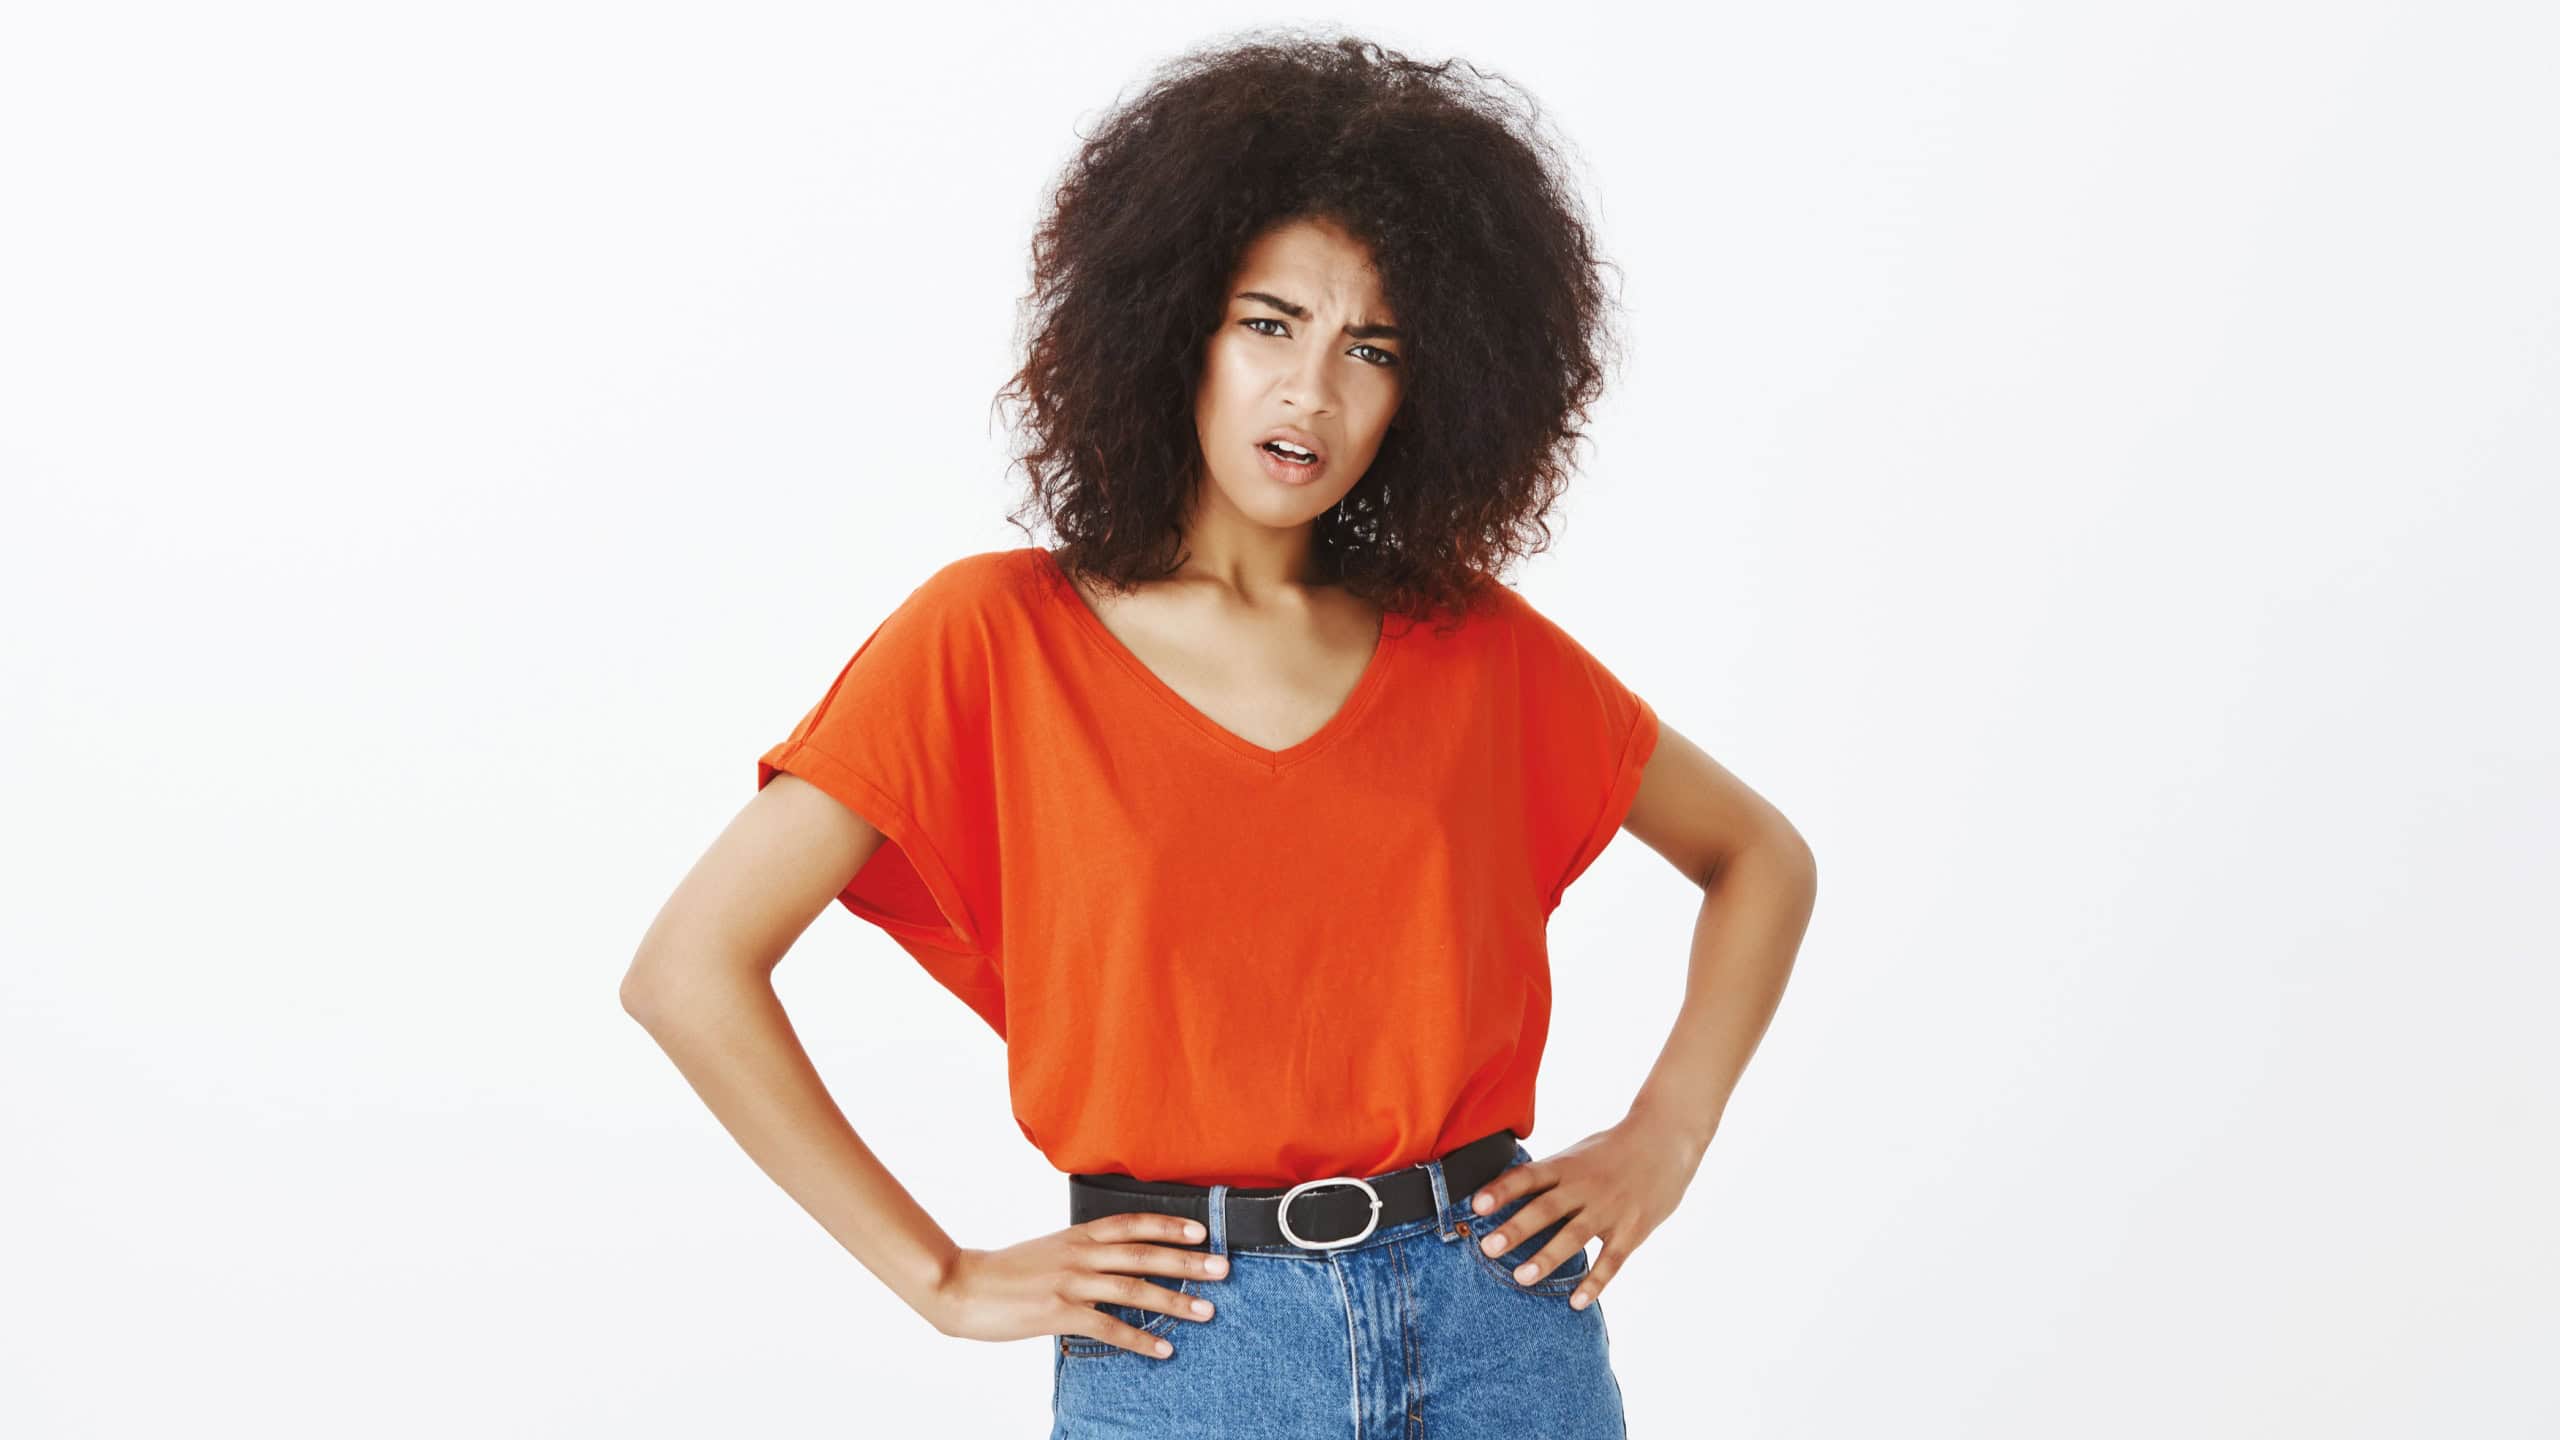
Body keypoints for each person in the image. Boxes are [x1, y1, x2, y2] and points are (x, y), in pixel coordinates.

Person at [621, 30, 1816, 1438]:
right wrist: (936, 1277)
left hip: (1502, 1326)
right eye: (1271, 323)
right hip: (1190, 1345)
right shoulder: (992, 638)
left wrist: (1665, 1138)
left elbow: (1758, 854)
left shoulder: (1479, 650)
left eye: (1373, 348)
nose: (1313, 391)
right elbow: (688, 971)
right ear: (1171, 321)